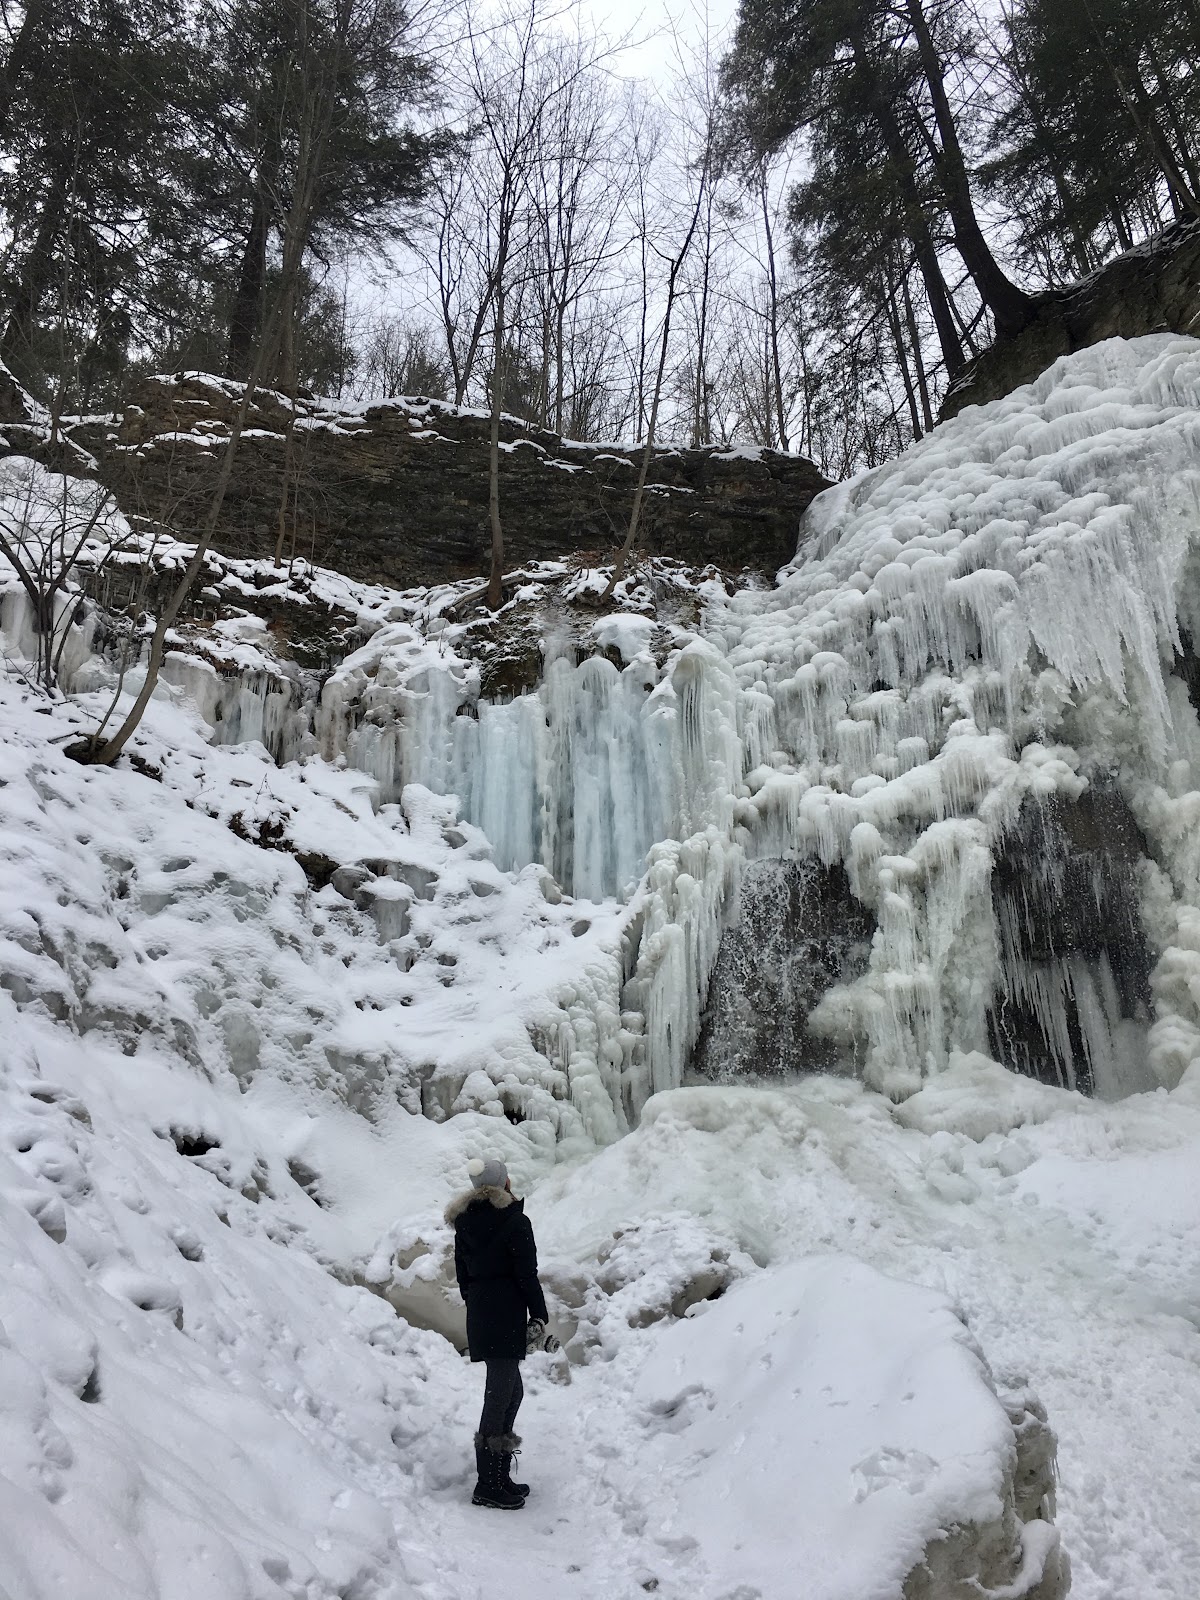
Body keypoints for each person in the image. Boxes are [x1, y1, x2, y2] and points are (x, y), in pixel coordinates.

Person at [446, 1156, 551, 1510]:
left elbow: (462, 1274)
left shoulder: (464, 1222)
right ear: (504, 1183)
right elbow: (526, 1274)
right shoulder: (514, 1221)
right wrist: (538, 1313)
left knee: (511, 1392)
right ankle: (488, 1485)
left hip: (482, 1312)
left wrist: (479, 1302)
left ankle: (499, 1475)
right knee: (500, 1395)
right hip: (505, 1312)